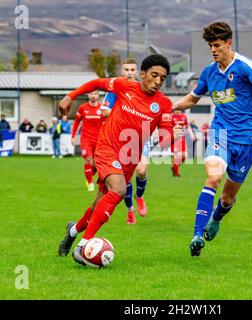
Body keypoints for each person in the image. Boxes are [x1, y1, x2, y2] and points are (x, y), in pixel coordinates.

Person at [173, 21, 252, 256]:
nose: (213, 50)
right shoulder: (209, 72)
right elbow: (191, 100)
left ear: (229, 43)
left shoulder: (246, 67)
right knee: (213, 177)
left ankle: (216, 217)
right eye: (210, 46)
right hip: (220, 133)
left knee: (227, 197)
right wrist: (169, 107)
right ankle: (196, 235)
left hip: (247, 139)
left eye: (217, 45)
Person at [57, 54, 180, 265]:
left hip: (129, 159)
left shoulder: (164, 105)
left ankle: (74, 230)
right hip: (107, 148)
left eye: (163, 78)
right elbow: (97, 83)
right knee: (119, 190)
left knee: (100, 202)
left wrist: (171, 136)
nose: (158, 81)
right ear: (143, 74)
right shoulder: (124, 86)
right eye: (154, 75)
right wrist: (71, 95)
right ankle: (82, 246)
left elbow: (165, 140)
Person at [102, 58, 150, 225]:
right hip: (121, 140)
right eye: (126, 69)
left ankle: (140, 196)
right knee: (126, 179)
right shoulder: (115, 89)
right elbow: (105, 112)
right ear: (122, 72)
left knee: (142, 170)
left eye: (132, 69)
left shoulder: (142, 88)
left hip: (141, 136)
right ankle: (130, 210)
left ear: (136, 72)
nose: (129, 72)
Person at [71, 91, 104, 192]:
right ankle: (90, 183)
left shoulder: (102, 108)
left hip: (99, 139)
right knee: (89, 159)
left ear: (98, 96)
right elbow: (76, 122)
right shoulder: (82, 108)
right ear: (88, 95)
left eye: (95, 94)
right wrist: (73, 136)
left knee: (96, 164)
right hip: (86, 139)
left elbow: (107, 122)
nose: (93, 96)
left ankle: (89, 176)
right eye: (91, 94)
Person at [171, 109, 189, 177]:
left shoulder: (184, 116)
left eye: (179, 109)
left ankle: (175, 167)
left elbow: (187, 126)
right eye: (176, 109)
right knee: (176, 156)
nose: (177, 111)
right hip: (174, 139)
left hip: (182, 138)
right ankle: (176, 174)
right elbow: (168, 127)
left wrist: (192, 135)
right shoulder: (172, 117)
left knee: (184, 156)